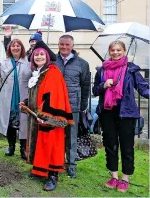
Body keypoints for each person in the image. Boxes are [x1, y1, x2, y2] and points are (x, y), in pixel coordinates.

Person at [92, 40, 149, 193]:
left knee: (127, 146)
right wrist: (103, 85)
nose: (115, 53)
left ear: (124, 51)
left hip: (127, 113)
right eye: (113, 50)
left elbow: (144, 89)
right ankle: (114, 177)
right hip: (107, 112)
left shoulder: (132, 70)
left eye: (118, 50)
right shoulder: (102, 70)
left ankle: (125, 179)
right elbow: (95, 90)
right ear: (109, 52)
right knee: (110, 145)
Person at [20, 41, 73, 191]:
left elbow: (53, 96)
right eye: (36, 55)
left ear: (47, 57)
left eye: (42, 54)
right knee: (40, 144)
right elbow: (37, 94)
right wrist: (26, 102)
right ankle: (40, 170)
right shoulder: (39, 73)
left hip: (50, 117)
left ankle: (52, 175)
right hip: (38, 115)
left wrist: (46, 116)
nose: (38, 57)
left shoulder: (53, 72)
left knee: (51, 145)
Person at [55, 34, 90, 179]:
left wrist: (82, 105)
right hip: (55, 105)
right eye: (61, 44)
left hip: (73, 105)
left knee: (71, 137)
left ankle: (71, 164)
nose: (64, 47)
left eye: (67, 45)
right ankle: (56, 162)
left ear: (72, 46)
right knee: (56, 136)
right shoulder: (52, 61)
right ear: (58, 45)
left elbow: (85, 85)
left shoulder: (82, 63)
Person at [0, 39, 31, 160]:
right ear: (9, 49)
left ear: (21, 48)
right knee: (10, 123)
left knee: (24, 123)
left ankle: (23, 149)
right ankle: (11, 147)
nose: (15, 48)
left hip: (23, 97)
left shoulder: (28, 62)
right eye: (13, 46)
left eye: (18, 45)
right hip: (8, 98)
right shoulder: (5, 62)